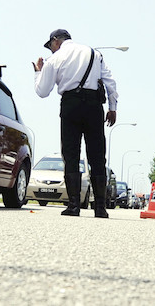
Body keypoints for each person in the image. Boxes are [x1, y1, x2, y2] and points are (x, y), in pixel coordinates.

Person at [33, 29, 118, 217]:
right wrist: (112, 107)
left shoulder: (55, 59)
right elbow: (109, 81)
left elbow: (42, 91)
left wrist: (38, 72)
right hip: (94, 105)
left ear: (56, 41)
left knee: (71, 154)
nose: (51, 50)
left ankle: (73, 206)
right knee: (97, 155)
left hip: (70, 104)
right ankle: (100, 208)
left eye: (50, 46)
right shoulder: (94, 53)